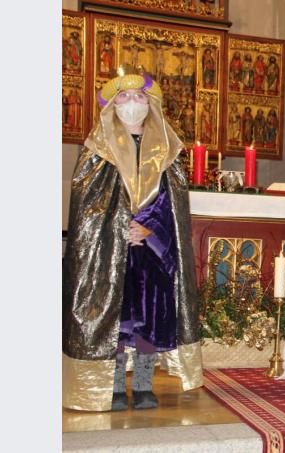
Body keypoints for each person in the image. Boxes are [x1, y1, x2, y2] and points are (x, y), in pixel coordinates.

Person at [63, 66, 203, 411]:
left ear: (150, 104)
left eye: (138, 96)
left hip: (152, 251)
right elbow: (88, 206)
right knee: (115, 320)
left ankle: (142, 386)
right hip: (110, 251)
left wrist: (150, 229)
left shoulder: (168, 152)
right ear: (112, 105)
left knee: (147, 322)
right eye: (122, 97)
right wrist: (120, 227)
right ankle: (111, 387)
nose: (131, 103)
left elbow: (173, 205)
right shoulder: (97, 151)